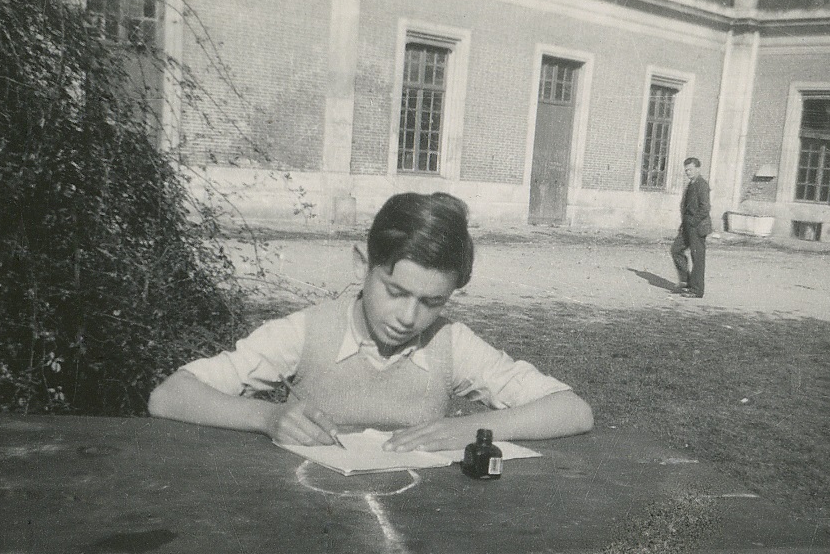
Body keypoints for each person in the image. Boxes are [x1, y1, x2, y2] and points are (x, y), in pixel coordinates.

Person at [149, 192, 593, 453]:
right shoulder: (307, 331)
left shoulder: (450, 343)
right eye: (396, 292)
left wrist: (467, 430)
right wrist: (267, 417)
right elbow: (169, 396)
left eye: (431, 301)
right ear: (363, 263)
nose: (408, 317)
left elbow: (573, 409)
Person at [670, 157, 712, 299]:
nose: (688, 172)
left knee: (697, 257)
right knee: (675, 249)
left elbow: (705, 208)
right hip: (688, 225)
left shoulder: (702, 185)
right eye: (686, 170)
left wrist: (693, 222)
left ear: (698, 169)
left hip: (697, 226)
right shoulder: (690, 185)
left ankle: (697, 290)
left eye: (690, 169)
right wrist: (684, 224)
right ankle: (685, 281)